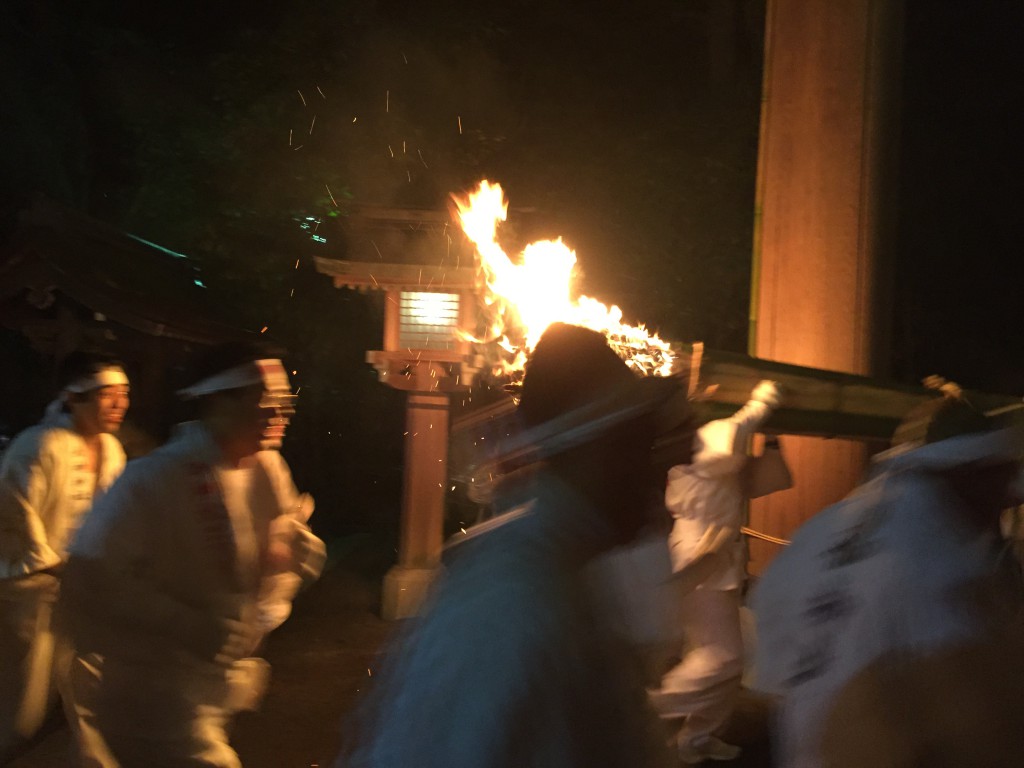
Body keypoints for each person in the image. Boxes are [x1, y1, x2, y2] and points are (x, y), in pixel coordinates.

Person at [339, 323, 692, 768]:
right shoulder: (511, 595)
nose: (659, 479)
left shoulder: (570, 571)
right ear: (599, 451)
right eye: (642, 450)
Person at [59, 342, 325, 767]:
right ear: (219, 402)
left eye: (285, 402)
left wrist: (297, 558)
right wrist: (186, 624)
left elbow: (275, 563)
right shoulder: (154, 479)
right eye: (266, 402)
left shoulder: (269, 469)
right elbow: (92, 576)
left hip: (212, 690)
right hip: (150, 693)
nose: (281, 414)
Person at [752, 389, 1024, 767]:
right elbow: (974, 722)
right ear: (970, 470)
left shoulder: (818, 531)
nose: (1008, 499)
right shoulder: (942, 555)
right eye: (1001, 479)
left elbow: (773, 674)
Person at [0, 352, 130, 758]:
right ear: (74, 398)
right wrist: (51, 565)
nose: (118, 404)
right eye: (106, 395)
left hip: (85, 590)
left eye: (124, 394)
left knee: (89, 685)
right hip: (32, 590)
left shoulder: (113, 451)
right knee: (22, 695)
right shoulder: (37, 445)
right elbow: (14, 514)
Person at [649, 379, 786, 764]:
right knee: (720, 656)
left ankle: (698, 736)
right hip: (701, 553)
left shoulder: (698, 446)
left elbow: (744, 460)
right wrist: (765, 397)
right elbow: (741, 425)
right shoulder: (699, 446)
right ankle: (656, 708)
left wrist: (772, 436)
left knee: (726, 657)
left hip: (711, 551)